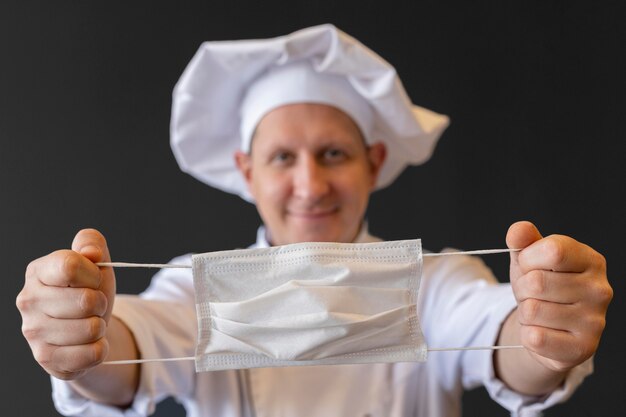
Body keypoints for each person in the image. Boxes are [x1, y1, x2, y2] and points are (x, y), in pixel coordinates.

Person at [16, 24, 611, 417]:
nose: (310, 185)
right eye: (282, 158)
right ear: (246, 172)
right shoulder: (197, 289)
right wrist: (84, 342)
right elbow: (134, 347)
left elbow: (500, 334)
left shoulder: (435, 284)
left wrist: (545, 330)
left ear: (373, 163)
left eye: (333, 154)